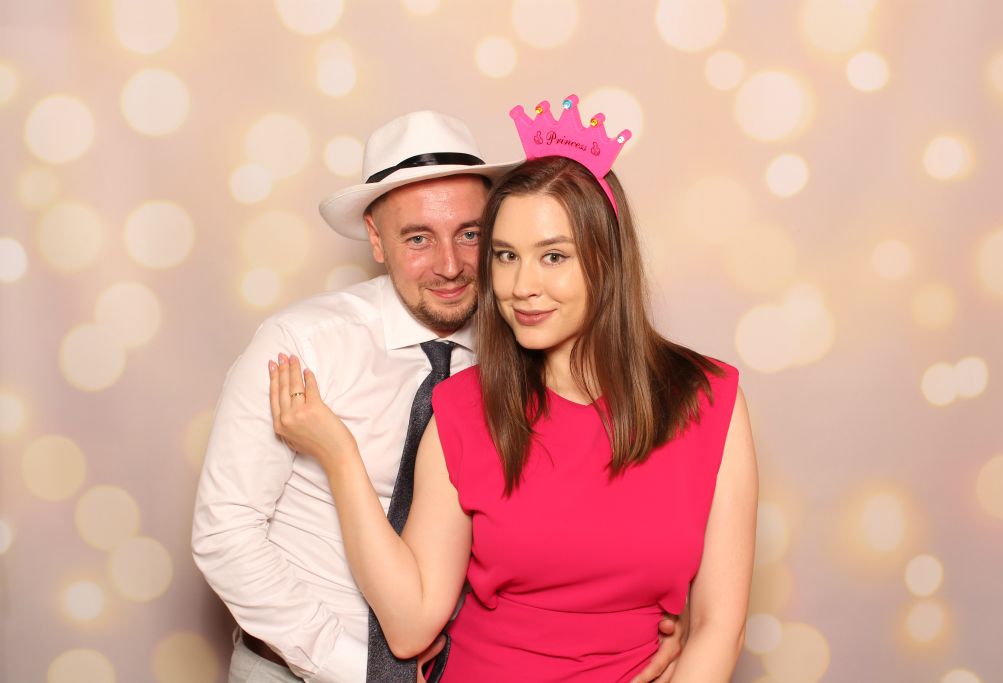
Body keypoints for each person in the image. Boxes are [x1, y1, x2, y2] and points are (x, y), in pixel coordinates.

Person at [269, 95, 758, 682]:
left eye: (553, 256)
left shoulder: (709, 400)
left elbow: (719, 627)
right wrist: (340, 458)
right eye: (505, 256)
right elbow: (411, 624)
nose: (522, 285)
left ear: (607, 259)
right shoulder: (464, 407)